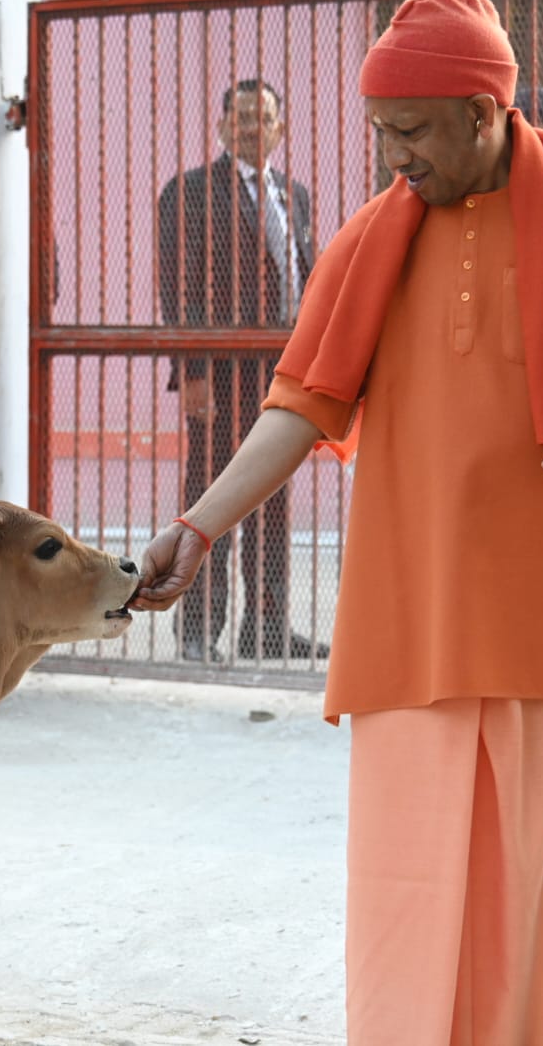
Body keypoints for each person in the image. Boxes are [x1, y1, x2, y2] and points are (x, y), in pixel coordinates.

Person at [134, 0, 543, 1039]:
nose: (394, 155)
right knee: (409, 877)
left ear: (485, 110)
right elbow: (298, 406)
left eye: (412, 130)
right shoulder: (372, 238)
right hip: (417, 611)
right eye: (380, 132)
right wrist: (198, 525)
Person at [155, 78, 324, 662]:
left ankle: (268, 626)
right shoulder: (190, 192)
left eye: (266, 118)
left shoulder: (295, 194)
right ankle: (199, 629)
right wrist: (194, 372)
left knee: (273, 497)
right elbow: (178, 290)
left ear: (281, 128)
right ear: (224, 124)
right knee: (211, 497)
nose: (255, 128)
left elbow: (309, 279)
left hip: (283, 371)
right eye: (244, 117)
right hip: (222, 375)